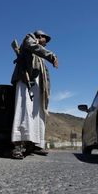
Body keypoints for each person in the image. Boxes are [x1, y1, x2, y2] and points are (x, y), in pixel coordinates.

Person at [10, 30, 59, 159]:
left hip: (38, 86)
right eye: (44, 38)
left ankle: (34, 144)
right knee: (24, 111)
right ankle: (18, 145)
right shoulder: (29, 39)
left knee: (37, 113)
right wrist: (51, 56)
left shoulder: (40, 53)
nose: (45, 42)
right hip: (25, 80)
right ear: (39, 36)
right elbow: (33, 46)